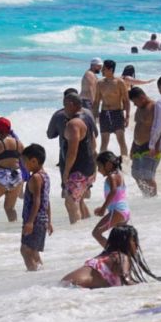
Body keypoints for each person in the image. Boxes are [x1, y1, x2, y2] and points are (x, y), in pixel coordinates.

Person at [59, 225, 161, 289]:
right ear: (125, 242)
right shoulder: (121, 257)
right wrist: (155, 287)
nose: (136, 244)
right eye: (134, 240)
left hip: (64, 284)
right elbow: (128, 282)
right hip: (74, 287)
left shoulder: (108, 255)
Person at [60, 92, 98, 223]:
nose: (63, 109)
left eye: (64, 105)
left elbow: (72, 151)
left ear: (71, 105)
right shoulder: (86, 117)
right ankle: (87, 228)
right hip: (89, 168)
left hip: (78, 170)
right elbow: (93, 144)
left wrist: (66, 171)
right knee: (80, 200)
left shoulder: (73, 124)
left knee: (70, 203)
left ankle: (75, 233)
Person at [46, 88, 97, 182]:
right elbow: (95, 135)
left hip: (68, 160)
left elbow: (50, 135)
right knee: (85, 189)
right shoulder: (88, 114)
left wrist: (66, 171)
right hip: (88, 161)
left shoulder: (59, 115)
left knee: (67, 190)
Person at [20, 145, 52, 272]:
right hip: (42, 219)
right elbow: (46, 200)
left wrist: (30, 222)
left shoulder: (35, 178)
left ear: (33, 161)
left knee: (25, 250)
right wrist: (49, 221)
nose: (23, 165)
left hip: (35, 220)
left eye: (24, 162)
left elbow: (37, 201)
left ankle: (33, 272)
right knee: (33, 251)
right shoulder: (45, 176)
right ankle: (41, 273)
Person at [90, 151, 129, 248]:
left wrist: (103, 208)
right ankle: (121, 256)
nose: (98, 170)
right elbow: (117, 196)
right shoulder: (118, 174)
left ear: (108, 165)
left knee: (96, 233)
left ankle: (113, 253)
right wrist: (103, 207)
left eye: (99, 166)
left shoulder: (112, 176)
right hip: (123, 211)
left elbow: (113, 191)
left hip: (118, 211)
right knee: (119, 240)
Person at [128, 87, 160, 197]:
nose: (134, 105)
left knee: (148, 176)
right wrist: (132, 147)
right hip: (137, 146)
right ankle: (147, 196)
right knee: (136, 174)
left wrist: (157, 146)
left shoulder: (154, 107)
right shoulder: (139, 108)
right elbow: (138, 127)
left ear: (141, 97)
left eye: (134, 102)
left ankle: (153, 199)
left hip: (150, 145)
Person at [96, 60, 131, 157]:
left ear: (111, 69)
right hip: (104, 113)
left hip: (117, 113)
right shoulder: (99, 83)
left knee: (121, 140)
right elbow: (96, 101)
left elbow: (126, 101)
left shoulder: (120, 82)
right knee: (104, 142)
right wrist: (94, 115)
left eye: (104, 69)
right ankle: (102, 164)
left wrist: (127, 116)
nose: (102, 71)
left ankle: (124, 162)